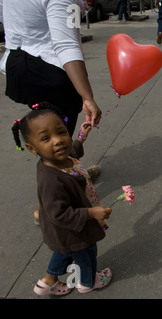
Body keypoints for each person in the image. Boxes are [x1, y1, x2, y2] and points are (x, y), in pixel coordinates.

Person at [0, 0, 103, 223]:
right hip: (50, 70)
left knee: (46, 136)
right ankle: (51, 202)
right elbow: (67, 45)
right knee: (59, 138)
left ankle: (70, 177)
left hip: (19, 66)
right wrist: (86, 96)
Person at [11, 102, 112, 296]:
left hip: (63, 233)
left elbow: (72, 152)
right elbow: (60, 213)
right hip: (73, 230)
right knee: (87, 252)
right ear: (33, 149)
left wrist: (82, 136)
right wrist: (91, 212)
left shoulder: (61, 159)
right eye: (46, 138)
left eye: (62, 132)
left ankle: (47, 282)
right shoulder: (51, 179)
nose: (58, 141)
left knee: (64, 251)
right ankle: (88, 282)